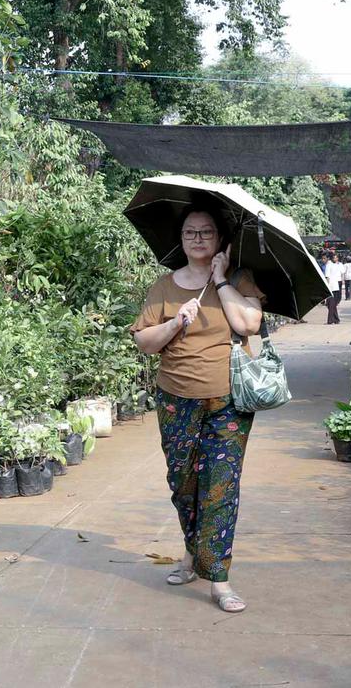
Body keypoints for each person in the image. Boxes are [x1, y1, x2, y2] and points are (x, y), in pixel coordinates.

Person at [130, 205, 266, 614]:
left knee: (220, 486)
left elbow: (249, 324)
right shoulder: (164, 287)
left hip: (228, 401)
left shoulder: (239, 279)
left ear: (220, 239)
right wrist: (175, 322)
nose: (198, 238)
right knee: (184, 483)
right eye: (190, 232)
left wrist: (221, 280)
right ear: (181, 239)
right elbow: (144, 343)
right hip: (175, 399)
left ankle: (219, 579)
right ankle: (193, 554)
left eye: (206, 232)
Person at [324, 254, 345, 324]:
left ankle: (331, 320)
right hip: (335, 285)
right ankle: (336, 319)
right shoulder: (335, 265)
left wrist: (327, 287)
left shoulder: (329, 265)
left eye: (324, 258)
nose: (323, 260)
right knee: (332, 303)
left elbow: (327, 277)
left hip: (332, 286)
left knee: (330, 303)